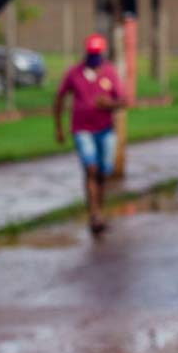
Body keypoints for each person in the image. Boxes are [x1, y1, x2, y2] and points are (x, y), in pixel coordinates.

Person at [54, 34, 125, 235]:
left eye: (97, 53)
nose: (94, 57)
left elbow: (123, 100)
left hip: (105, 130)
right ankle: (94, 215)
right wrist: (59, 128)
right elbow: (59, 98)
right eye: (91, 53)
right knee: (91, 169)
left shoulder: (109, 72)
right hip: (82, 129)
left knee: (103, 172)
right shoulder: (74, 73)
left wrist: (108, 104)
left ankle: (99, 210)